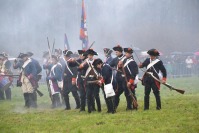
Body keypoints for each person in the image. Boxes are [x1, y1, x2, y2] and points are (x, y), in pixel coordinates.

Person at [79, 49, 101, 113]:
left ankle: (99, 109)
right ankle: (89, 110)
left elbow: (99, 70)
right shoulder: (85, 62)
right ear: (87, 55)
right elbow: (80, 70)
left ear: (93, 55)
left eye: (91, 55)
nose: (90, 56)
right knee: (88, 96)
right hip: (88, 81)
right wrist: (81, 67)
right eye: (89, 55)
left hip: (95, 80)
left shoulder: (96, 61)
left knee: (96, 95)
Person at [109, 45, 126, 109]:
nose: (116, 53)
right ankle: (115, 106)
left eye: (117, 52)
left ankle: (130, 106)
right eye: (115, 52)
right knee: (116, 93)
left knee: (128, 93)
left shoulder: (126, 58)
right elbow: (109, 65)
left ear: (121, 52)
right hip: (118, 79)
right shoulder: (115, 59)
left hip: (125, 79)